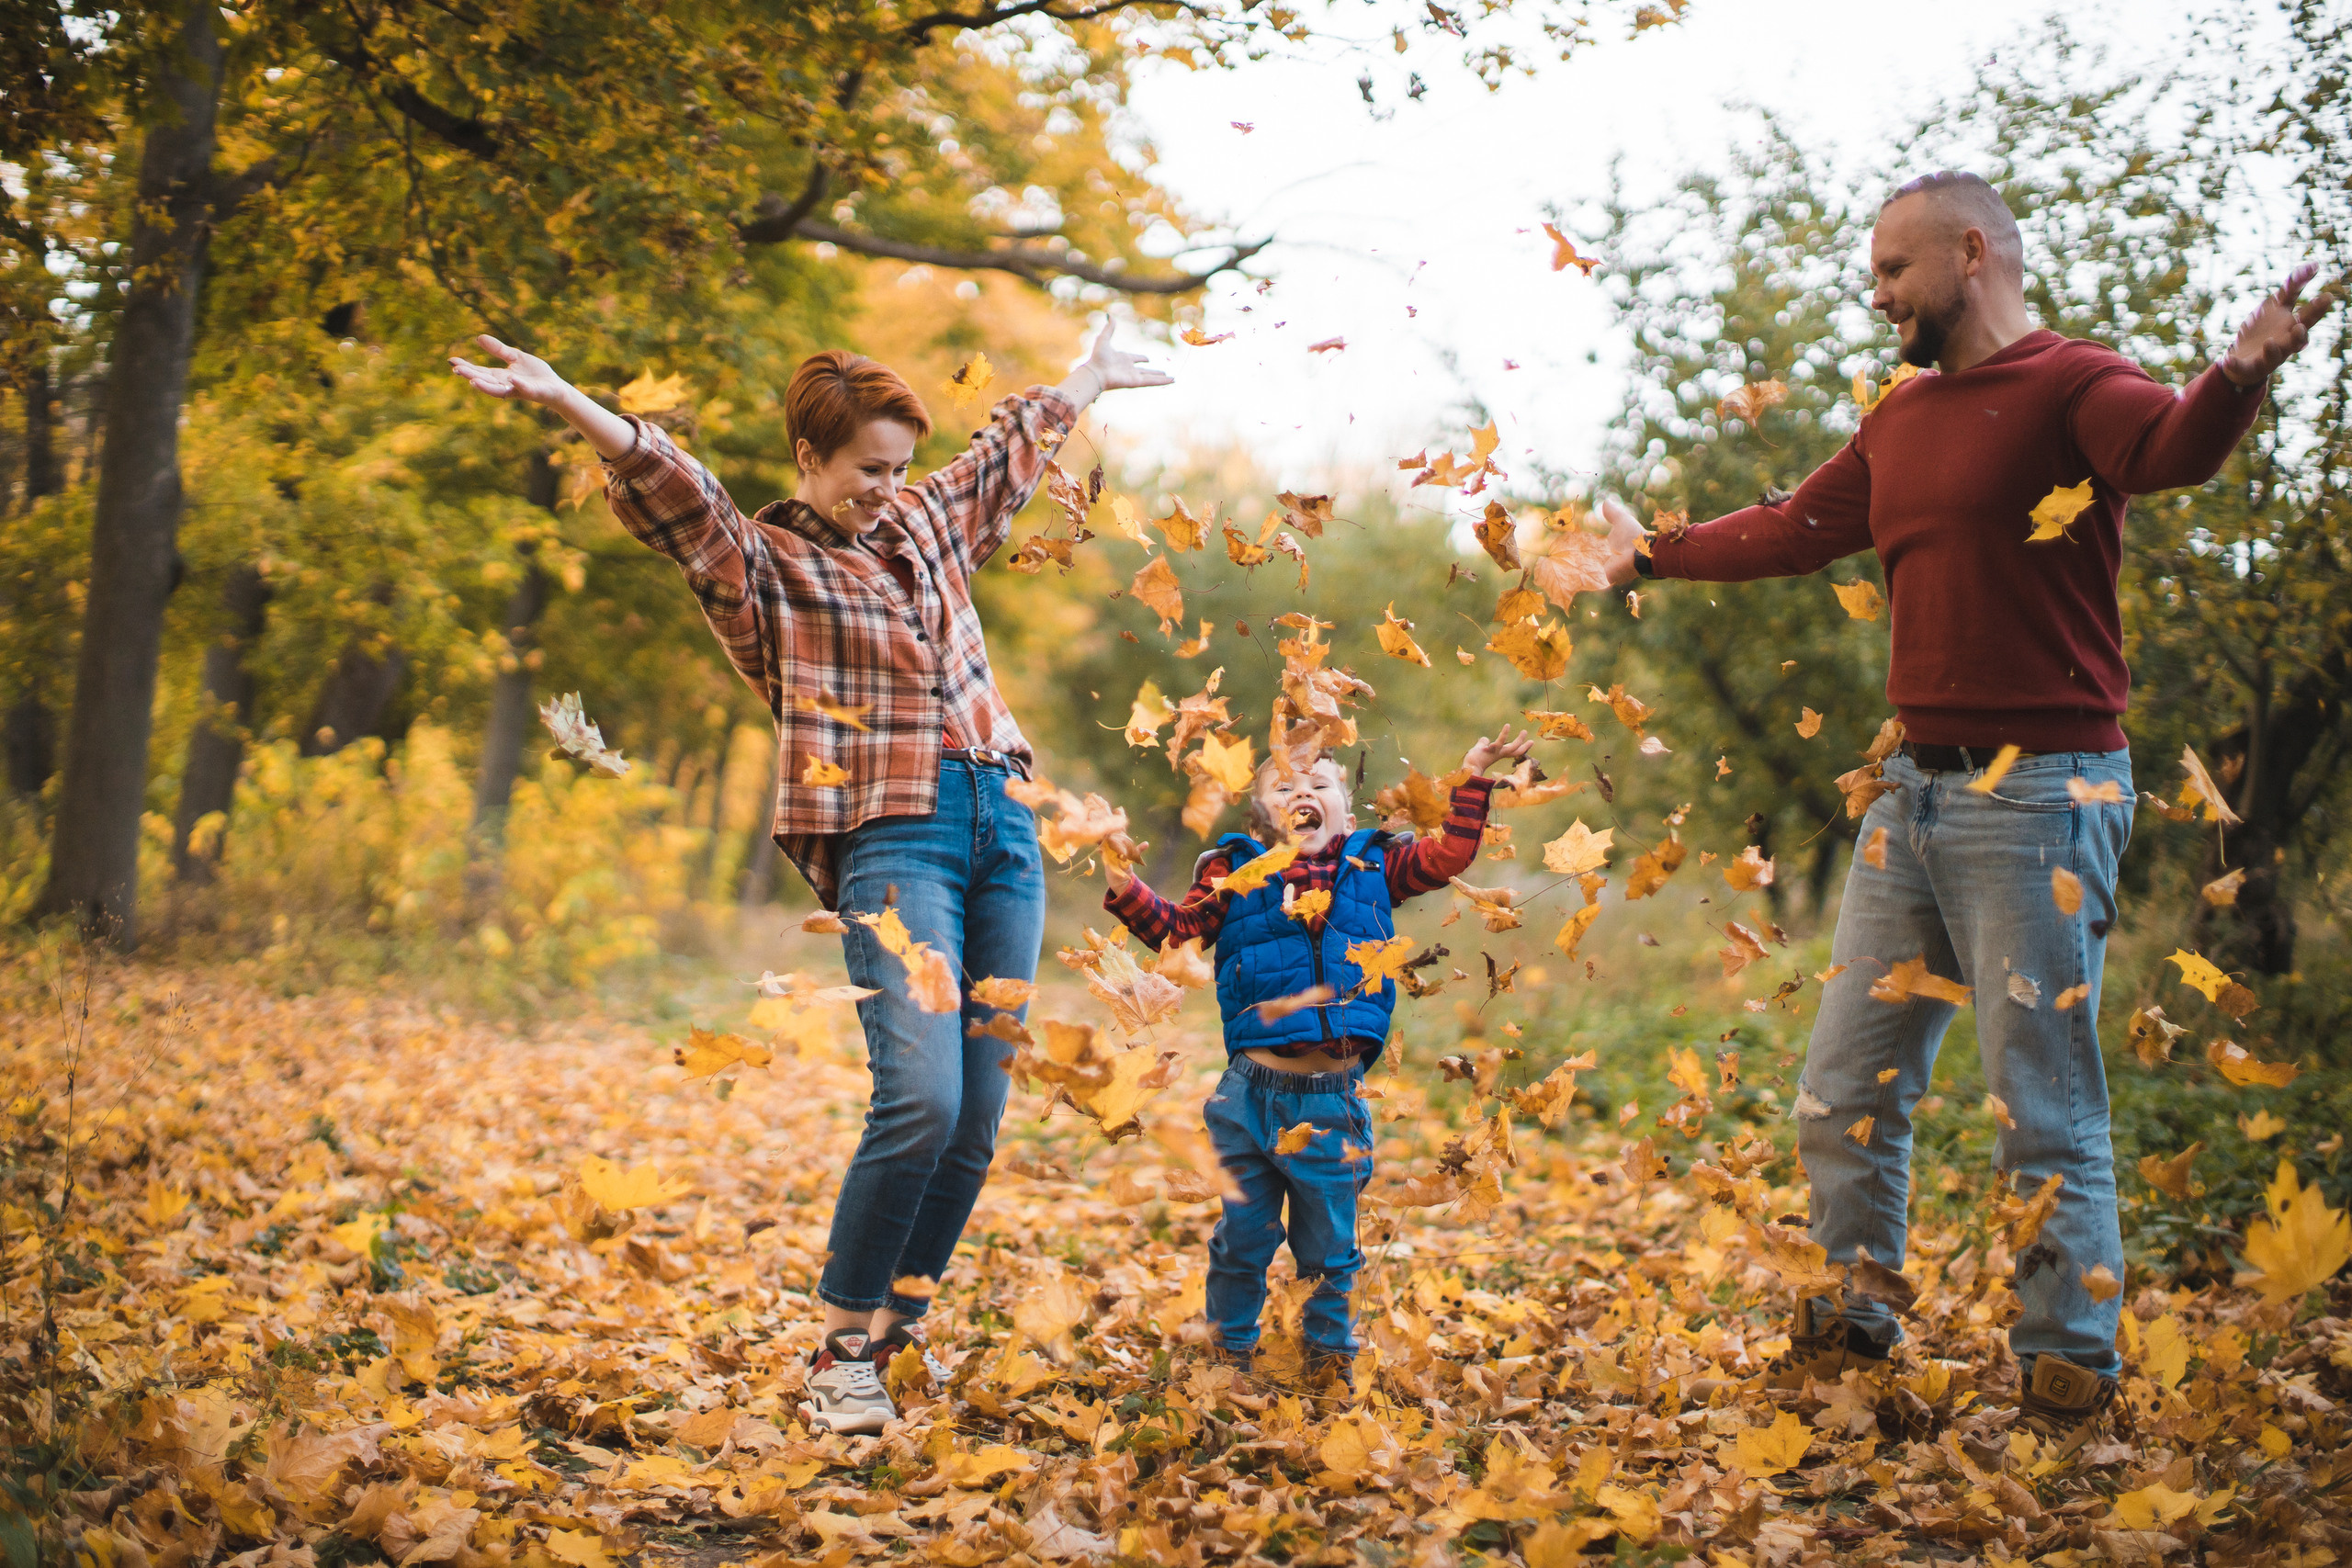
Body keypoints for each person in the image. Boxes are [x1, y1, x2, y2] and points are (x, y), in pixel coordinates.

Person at [1598, 171, 2333, 1453]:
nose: (1873, 289)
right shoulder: (1900, 417)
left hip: (2041, 794)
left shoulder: (2073, 384)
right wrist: (1649, 551)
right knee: (1843, 1085)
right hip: (1911, 791)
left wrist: (2240, 369)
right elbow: (1790, 528)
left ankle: (2066, 1372)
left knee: (2038, 1100)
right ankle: (1854, 1328)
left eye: (1891, 268)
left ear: (1970, 254)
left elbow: (2170, 454)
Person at [451, 325, 1171, 1434]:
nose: (886, 491)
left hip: (1005, 827)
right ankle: (839, 1350)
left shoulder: (928, 520)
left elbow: (1005, 455)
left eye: (896, 467)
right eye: (864, 470)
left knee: (979, 1114)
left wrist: (1085, 378)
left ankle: (887, 1346)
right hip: (895, 836)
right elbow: (675, 495)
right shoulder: (764, 573)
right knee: (922, 1096)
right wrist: (569, 403)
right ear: (808, 458)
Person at [1102, 732, 1532, 1378]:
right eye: (1283, 786)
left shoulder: (1374, 866)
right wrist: (1118, 873)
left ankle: (1328, 1358)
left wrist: (1472, 779)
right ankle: (1230, 1355)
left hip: (1330, 1101)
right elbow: (1176, 929)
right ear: (1260, 819)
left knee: (1329, 1246)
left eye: (1320, 783)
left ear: (1347, 814)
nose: (1302, 790)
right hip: (1247, 1094)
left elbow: (1447, 856)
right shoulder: (1237, 872)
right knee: (1242, 1239)